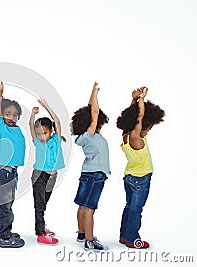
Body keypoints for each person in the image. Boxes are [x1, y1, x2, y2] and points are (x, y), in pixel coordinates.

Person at [116, 87, 165, 249]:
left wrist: (134, 100)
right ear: (141, 125)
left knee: (129, 207)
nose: (148, 131)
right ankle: (132, 239)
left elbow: (132, 117)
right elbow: (139, 117)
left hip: (129, 177)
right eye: (148, 128)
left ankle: (124, 236)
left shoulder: (126, 134)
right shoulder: (135, 137)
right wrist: (142, 99)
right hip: (140, 180)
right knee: (136, 210)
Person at [70, 81, 110, 251]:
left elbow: (90, 110)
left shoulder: (84, 137)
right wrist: (94, 91)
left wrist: (93, 96)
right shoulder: (90, 134)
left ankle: (81, 233)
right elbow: (93, 112)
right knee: (90, 208)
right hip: (95, 175)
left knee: (82, 205)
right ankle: (89, 240)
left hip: (88, 174)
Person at [0, 81, 26, 248]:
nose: (11, 117)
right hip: (3, 173)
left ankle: (5, 230)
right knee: (4, 206)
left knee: (8, 204)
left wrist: (4, 100)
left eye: (14, 114)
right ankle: (4, 236)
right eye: (8, 114)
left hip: (11, 173)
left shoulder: (16, 128)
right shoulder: (1, 127)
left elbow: (6, 108)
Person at [29, 98, 65, 246]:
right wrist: (32, 115)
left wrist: (47, 106)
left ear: (51, 131)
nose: (41, 136)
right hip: (39, 176)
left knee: (43, 204)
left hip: (52, 177)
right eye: (38, 133)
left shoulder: (56, 140)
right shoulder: (37, 142)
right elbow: (31, 125)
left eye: (44, 133)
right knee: (39, 205)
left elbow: (56, 120)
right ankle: (41, 234)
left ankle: (41, 227)